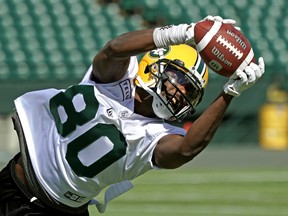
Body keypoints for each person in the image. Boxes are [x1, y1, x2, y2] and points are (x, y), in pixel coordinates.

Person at [0, 15, 264, 215]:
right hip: (14, 178)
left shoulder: (159, 135)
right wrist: (184, 32)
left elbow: (185, 149)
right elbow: (113, 49)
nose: (181, 92)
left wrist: (229, 93)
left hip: (60, 208)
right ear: (154, 66)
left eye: (190, 90)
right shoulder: (115, 79)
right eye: (179, 79)